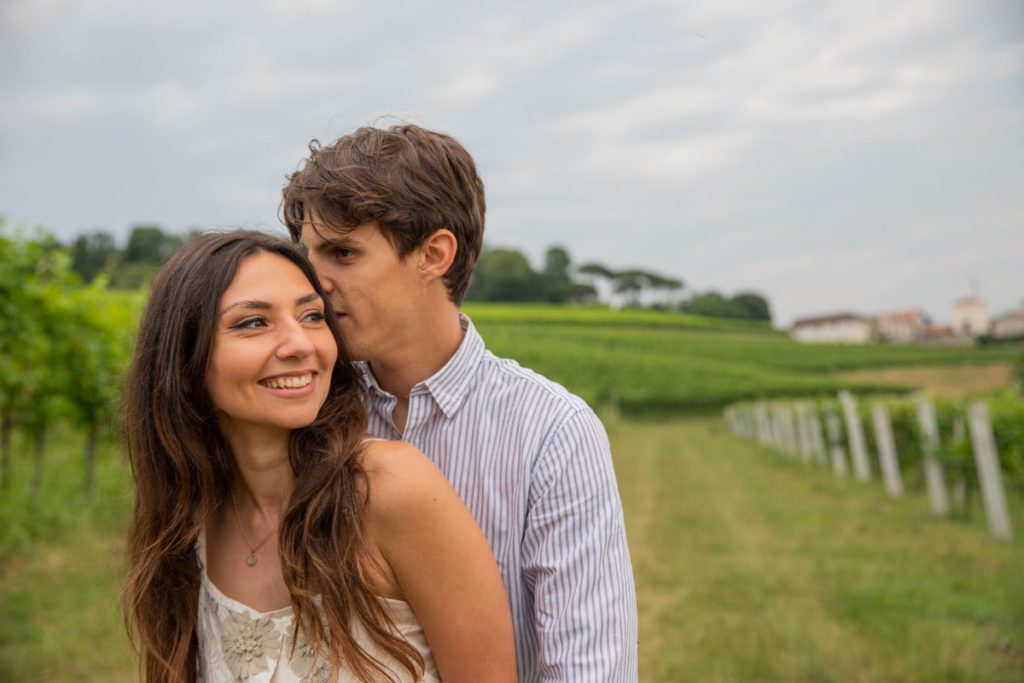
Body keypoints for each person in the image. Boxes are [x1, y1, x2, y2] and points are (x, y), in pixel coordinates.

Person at [282, 124, 638, 682]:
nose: (313, 282)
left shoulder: (552, 432)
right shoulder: (303, 415)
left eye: (343, 253)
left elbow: (588, 671)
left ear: (434, 254)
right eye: (309, 254)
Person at [122, 231, 516, 683]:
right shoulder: (189, 517)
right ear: (184, 360)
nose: (300, 344)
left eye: (312, 316)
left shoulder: (388, 487)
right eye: (253, 323)